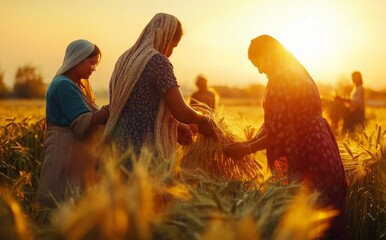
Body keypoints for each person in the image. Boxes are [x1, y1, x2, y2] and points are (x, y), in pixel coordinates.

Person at [224, 35, 347, 239]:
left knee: (306, 220)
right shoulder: (295, 71)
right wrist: (248, 142)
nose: (260, 70)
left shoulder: (280, 79)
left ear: (268, 55)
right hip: (323, 149)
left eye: (258, 64)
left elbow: (280, 132)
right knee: (325, 221)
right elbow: (277, 123)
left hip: (308, 157)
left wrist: (246, 149)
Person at [98, 13, 217, 170]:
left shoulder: (124, 59)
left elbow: (139, 106)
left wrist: (176, 126)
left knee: (119, 193)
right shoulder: (158, 62)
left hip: (116, 149)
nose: (171, 52)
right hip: (145, 151)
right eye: (173, 46)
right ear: (164, 37)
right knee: (148, 194)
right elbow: (181, 111)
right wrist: (203, 120)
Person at [36, 39, 109, 208]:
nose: (94, 68)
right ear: (78, 58)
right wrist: (107, 110)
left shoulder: (77, 86)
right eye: (91, 63)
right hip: (64, 152)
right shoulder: (63, 85)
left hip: (74, 156)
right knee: (58, 202)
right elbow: (82, 123)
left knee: (72, 204)